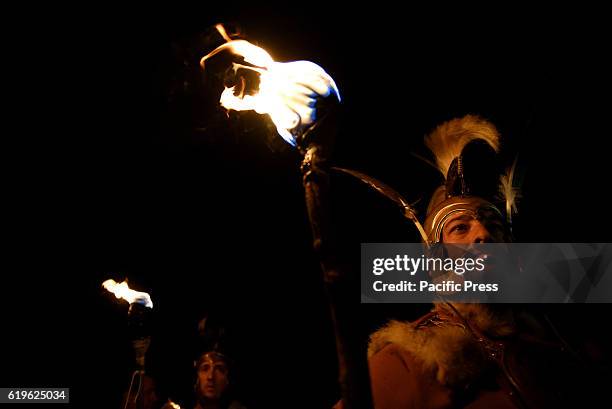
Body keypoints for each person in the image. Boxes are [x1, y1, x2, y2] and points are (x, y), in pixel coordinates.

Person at [341, 115, 606, 408]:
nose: (482, 234)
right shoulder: (410, 359)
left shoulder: (564, 341)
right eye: (460, 227)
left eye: (493, 225)